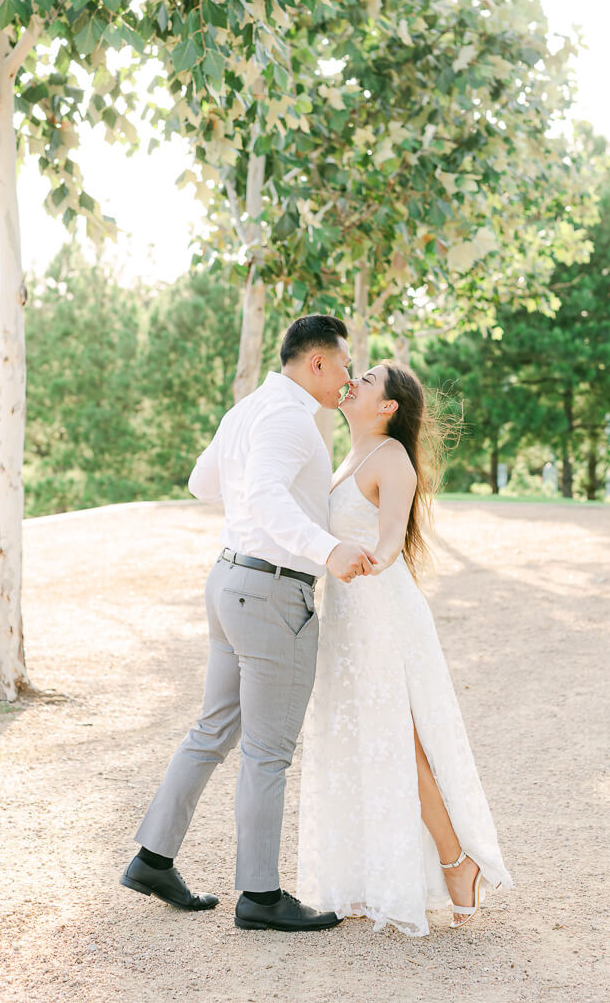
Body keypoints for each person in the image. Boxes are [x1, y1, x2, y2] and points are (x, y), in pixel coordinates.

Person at [120, 315, 376, 932]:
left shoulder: (249, 409)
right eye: (344, 363)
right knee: (267, 753)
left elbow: (201, 481)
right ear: (316, 363)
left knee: (212, 731)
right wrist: (326, 549)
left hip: (228, 579)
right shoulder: (290, 419)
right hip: (268, 593)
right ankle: (260, 897)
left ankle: (153, 858)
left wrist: (253, 510)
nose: (348, 375)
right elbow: (262, 496)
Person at [297, 361, 513, 935]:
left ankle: (457, 861)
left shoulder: (391, 457)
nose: (356, 379)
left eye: (368, 378)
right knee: (358, 737)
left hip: (379, 608)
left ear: (388, 406)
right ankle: (371, 876)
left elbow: (392, 531)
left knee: (399, 738)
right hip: (347, 612)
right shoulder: (346, 456)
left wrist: (381, 557)